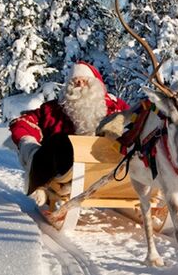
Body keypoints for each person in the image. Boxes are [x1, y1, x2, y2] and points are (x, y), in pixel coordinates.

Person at [9, 62, 129, 203]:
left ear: (96, 85)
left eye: (84, 81)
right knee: (59, 142)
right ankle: (45, 180)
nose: (79, 84)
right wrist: (28, 143)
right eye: (74, 81)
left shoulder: (115, 107)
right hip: (67, 168)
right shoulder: (52, 110)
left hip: (110, 166)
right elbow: (23, 122)